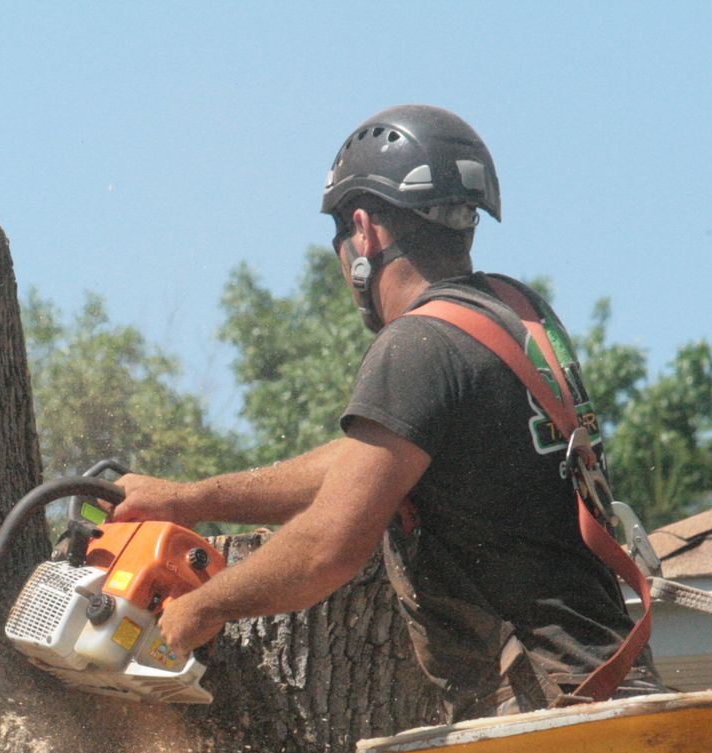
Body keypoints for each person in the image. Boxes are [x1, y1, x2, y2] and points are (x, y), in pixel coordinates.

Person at [112, 105, 662, 721]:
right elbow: (372, 462)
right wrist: (189, 501)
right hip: (610, 683)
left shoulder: (415, 346)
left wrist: (203, 607)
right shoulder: (516, 315)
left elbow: (329, 548)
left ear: (364, 230)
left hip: (548, 718)